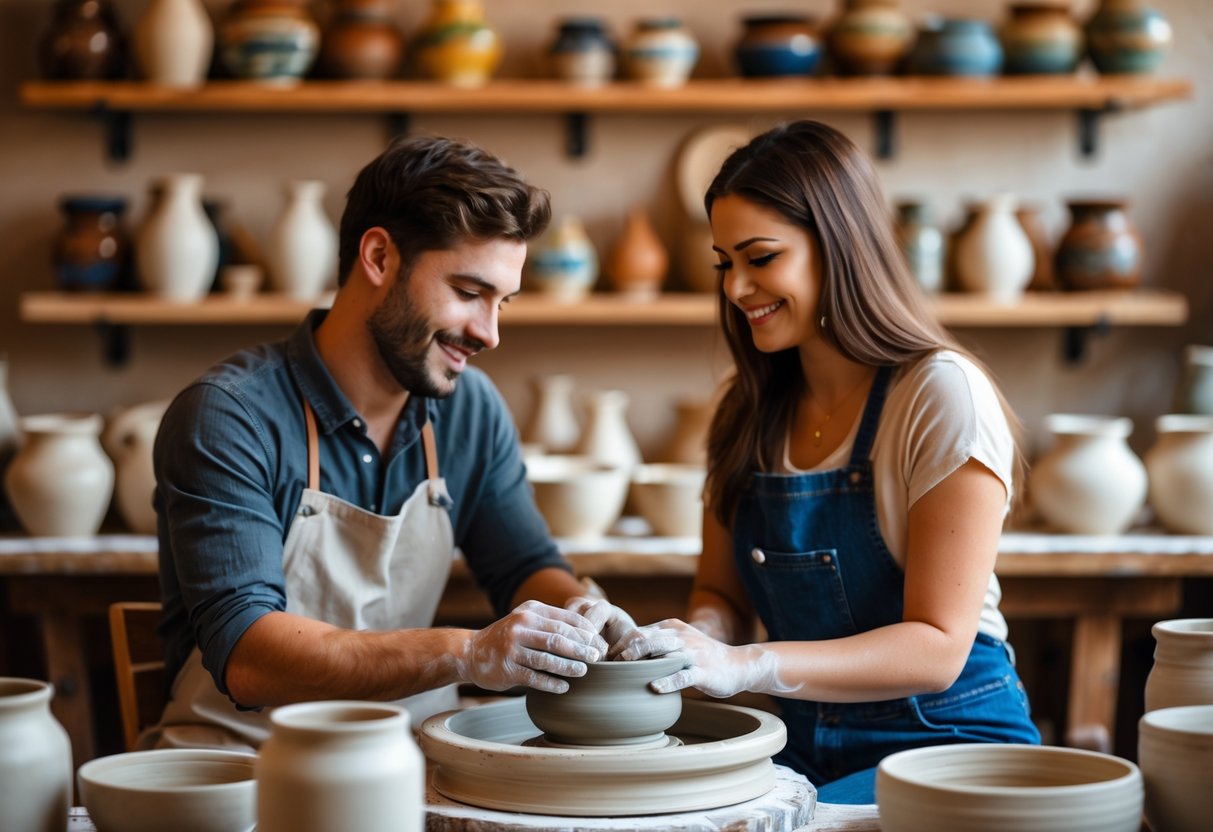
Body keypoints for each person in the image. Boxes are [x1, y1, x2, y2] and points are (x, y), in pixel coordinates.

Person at [148, 135, 630, 750]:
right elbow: (249, 659)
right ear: (379, 257)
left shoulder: (470, 410)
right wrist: (467, 652)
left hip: (405, 761)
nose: (490, 332)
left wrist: (583, 614)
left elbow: (524, 567)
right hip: (239, 765)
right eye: (468, 292)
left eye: (503, 302)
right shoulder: (230, 415)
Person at [614, 120, 1041, 803]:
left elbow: (937, 648)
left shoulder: (937, 393)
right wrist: (692, 646)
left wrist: (744, 664)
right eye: (725, 262)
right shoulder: (748, 408)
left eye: (760, 258)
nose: (735, 288)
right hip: (803, 752)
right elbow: (720, 596)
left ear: (837, 245)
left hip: (948, 747)